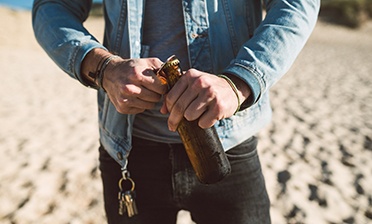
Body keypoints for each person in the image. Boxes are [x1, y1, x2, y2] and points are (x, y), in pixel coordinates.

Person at [32, 0, 320, 223]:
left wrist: (239, 82)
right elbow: (53, 6)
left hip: (230, 144)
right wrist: (103, 68)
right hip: (128, 149)